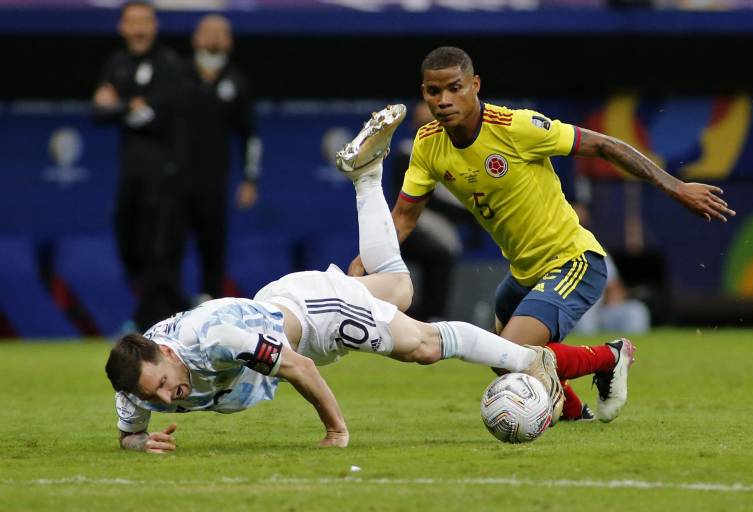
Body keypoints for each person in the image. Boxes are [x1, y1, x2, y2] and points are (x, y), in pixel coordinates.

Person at [104, 105, 567, 453]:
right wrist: (141, 444)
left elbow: (299, 369)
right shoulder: (137, 380)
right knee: (398, 289)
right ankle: (366, 176)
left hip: (313, 320)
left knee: (422, 346)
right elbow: (129, 433)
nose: (169, 395)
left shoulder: (217, 339)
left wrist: (335, 431)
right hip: (281, 303)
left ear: (167, 352)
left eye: (164, 383)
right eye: (156, 394)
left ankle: (529, 360)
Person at [347, 47, 735, 422]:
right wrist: (367, 260)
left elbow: (604, 144)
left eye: (455, 87)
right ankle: (572, 413)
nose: (444, 99)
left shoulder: (518, 128)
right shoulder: (428, 144)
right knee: (503, 362)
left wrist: (675, 187)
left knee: (510, 350)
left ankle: (610, 356)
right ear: (424, 94)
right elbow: (403, 219)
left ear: (475, 85)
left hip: (574, 261)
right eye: (435, 91)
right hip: (523, 274)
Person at [92, 1, 188, 331]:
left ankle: (150, 322)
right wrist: (128, 106)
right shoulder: (116, 63)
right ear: (122, 27)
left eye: (144, 21)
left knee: (158, 249)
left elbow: (160, 115)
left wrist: (119, 105)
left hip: (164, 171)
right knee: (129, 243)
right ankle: (183, 308)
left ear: (155, 25)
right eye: (131, 21)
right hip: (130, 170)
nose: (138, 28)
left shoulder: (170, 63)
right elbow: (98, 113)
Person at [182, 14, 262, 300]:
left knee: (213, 248)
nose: (214, 38)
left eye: (220, 32)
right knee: (165, 249)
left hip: (213, 183)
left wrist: (250, 179)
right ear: (196, 38)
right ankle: (163, 312)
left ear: (229, 41)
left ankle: (209, 306)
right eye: (208, 32)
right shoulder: (178, 77)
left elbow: (250, 136)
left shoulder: (236, 82)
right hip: (173, 181)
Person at [389, 101, 469, 322]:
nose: (427, 128)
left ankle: (433, 315)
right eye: (422, 123)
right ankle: (429, 316)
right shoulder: (407, 152)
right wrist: (462, 214)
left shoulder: (452, 153)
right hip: (412, 223)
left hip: (443, 226)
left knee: (443, 253)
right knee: (439, 254)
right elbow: (419, 197)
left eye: (432, 123)